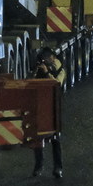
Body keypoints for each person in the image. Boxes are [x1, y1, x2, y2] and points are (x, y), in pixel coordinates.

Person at [31, 47, 65, 178]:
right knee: (38, 138)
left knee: (55, 138)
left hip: (54, 107)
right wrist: (36, 71)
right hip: (40, 106)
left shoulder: (60, 69)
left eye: (47, 56)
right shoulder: (40, 68)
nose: (46, 59)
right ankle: (38, 167)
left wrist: (46, 73)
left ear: (53, 57)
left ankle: (58, 167)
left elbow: (56, 83)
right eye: (43, 57)